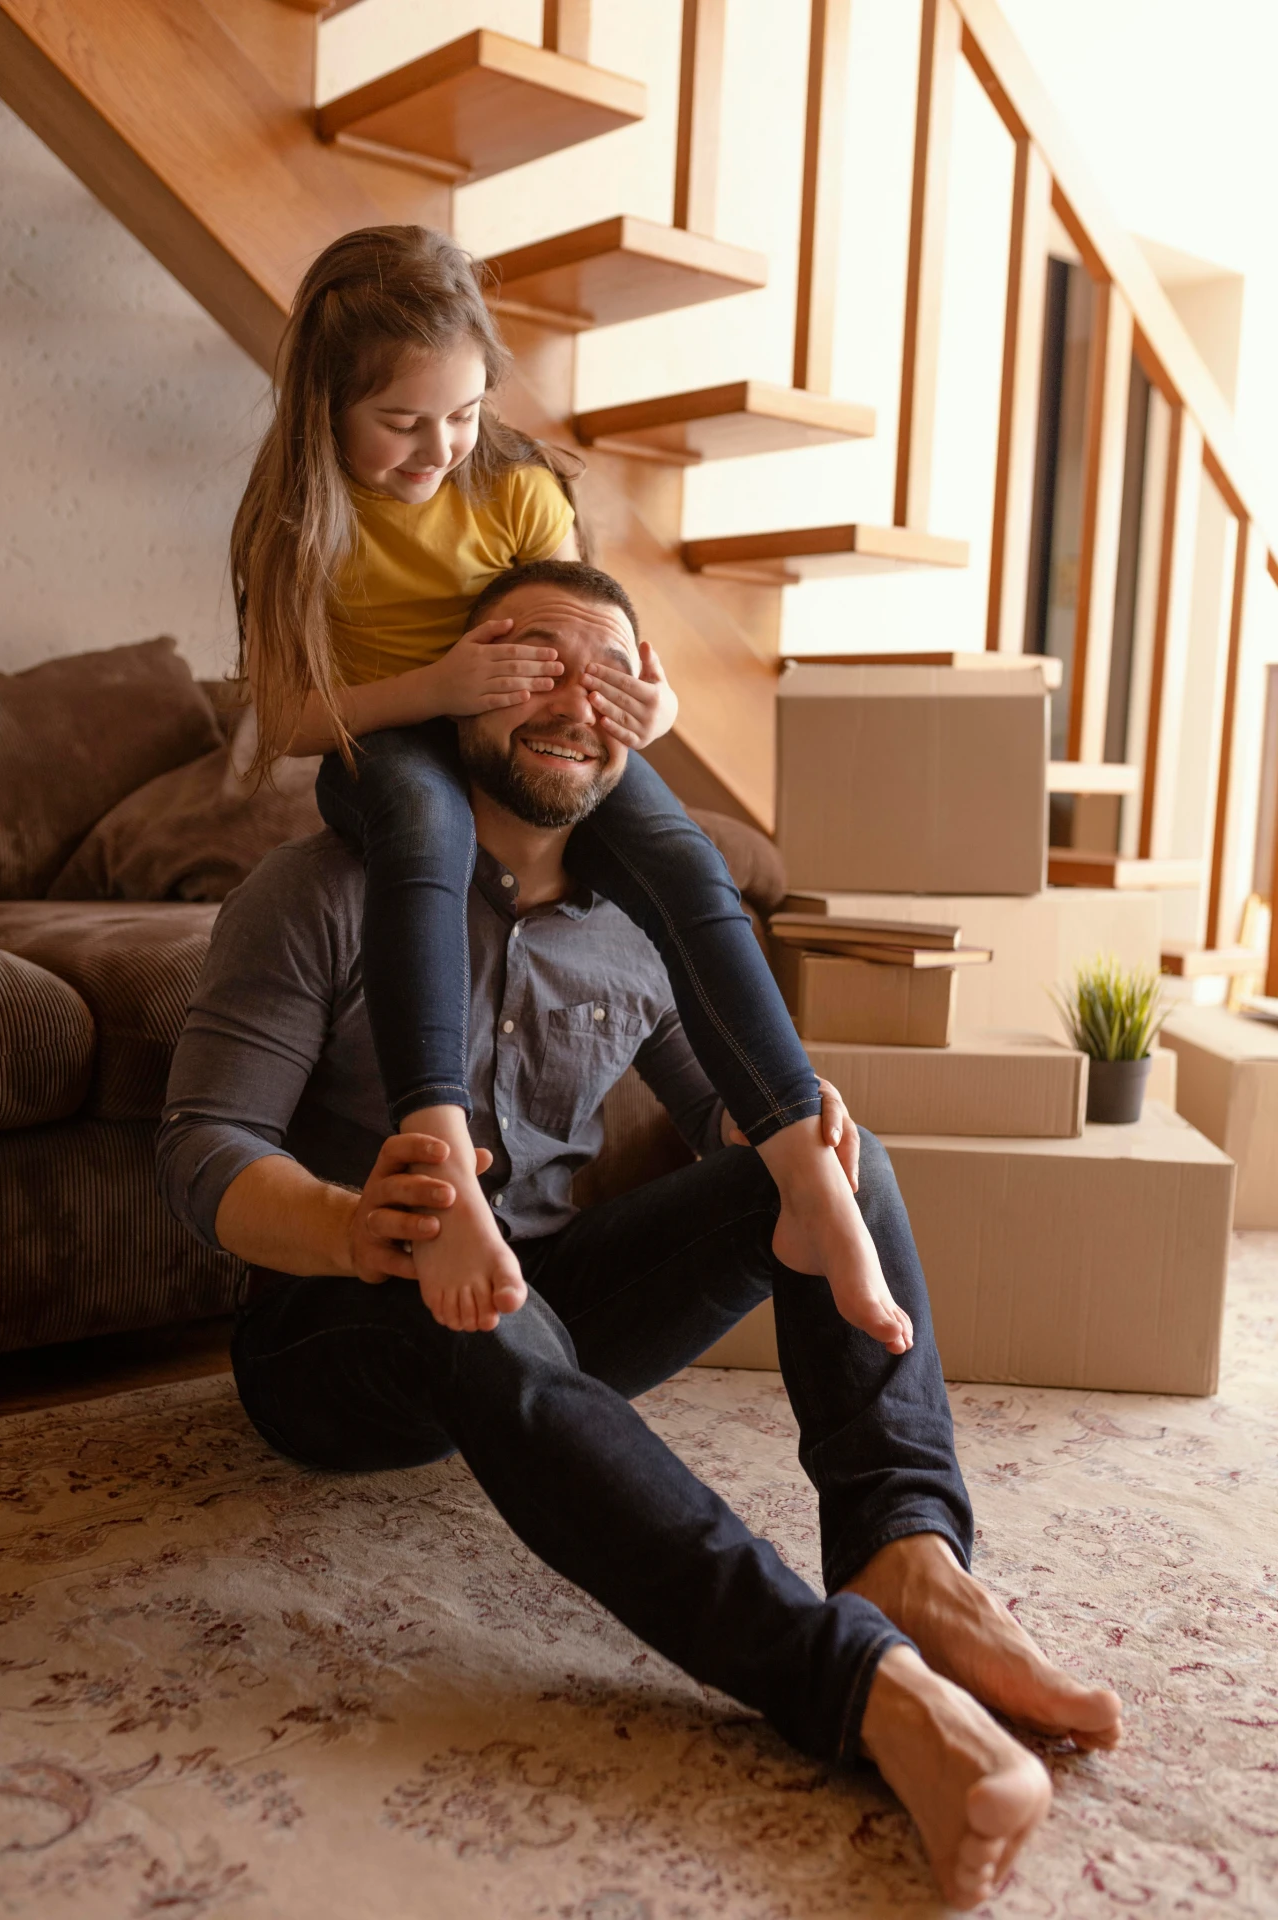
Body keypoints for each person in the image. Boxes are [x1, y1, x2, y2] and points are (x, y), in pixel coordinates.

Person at [159, 561, 1124, 1912]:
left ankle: (908, 1551)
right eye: (529, 657)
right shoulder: (316, 889)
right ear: (458, 695)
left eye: (607, 667)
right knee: (451, 1249)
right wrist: (350, 1223)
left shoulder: (639, 930)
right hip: (332, 1337)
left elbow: (729, 1122)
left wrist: (782, 1132)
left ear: (647, 710)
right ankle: (858, 1688)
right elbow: (202, 1146)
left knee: (839, 1161)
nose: (573, 694)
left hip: (548, 1304)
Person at [229, 225, 908, 1354]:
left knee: (687, 854)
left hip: (510, 726)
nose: (436, 447)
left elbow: (591, 643)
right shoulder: (300, 521)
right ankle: (440, 1155)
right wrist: (439, 683)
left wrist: (661, 712)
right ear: (323, 406)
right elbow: (290, 716)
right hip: (389, 734)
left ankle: (800, 1156)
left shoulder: (514, 487)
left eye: (460, 412)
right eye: (400, 422)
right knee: (422, 828)